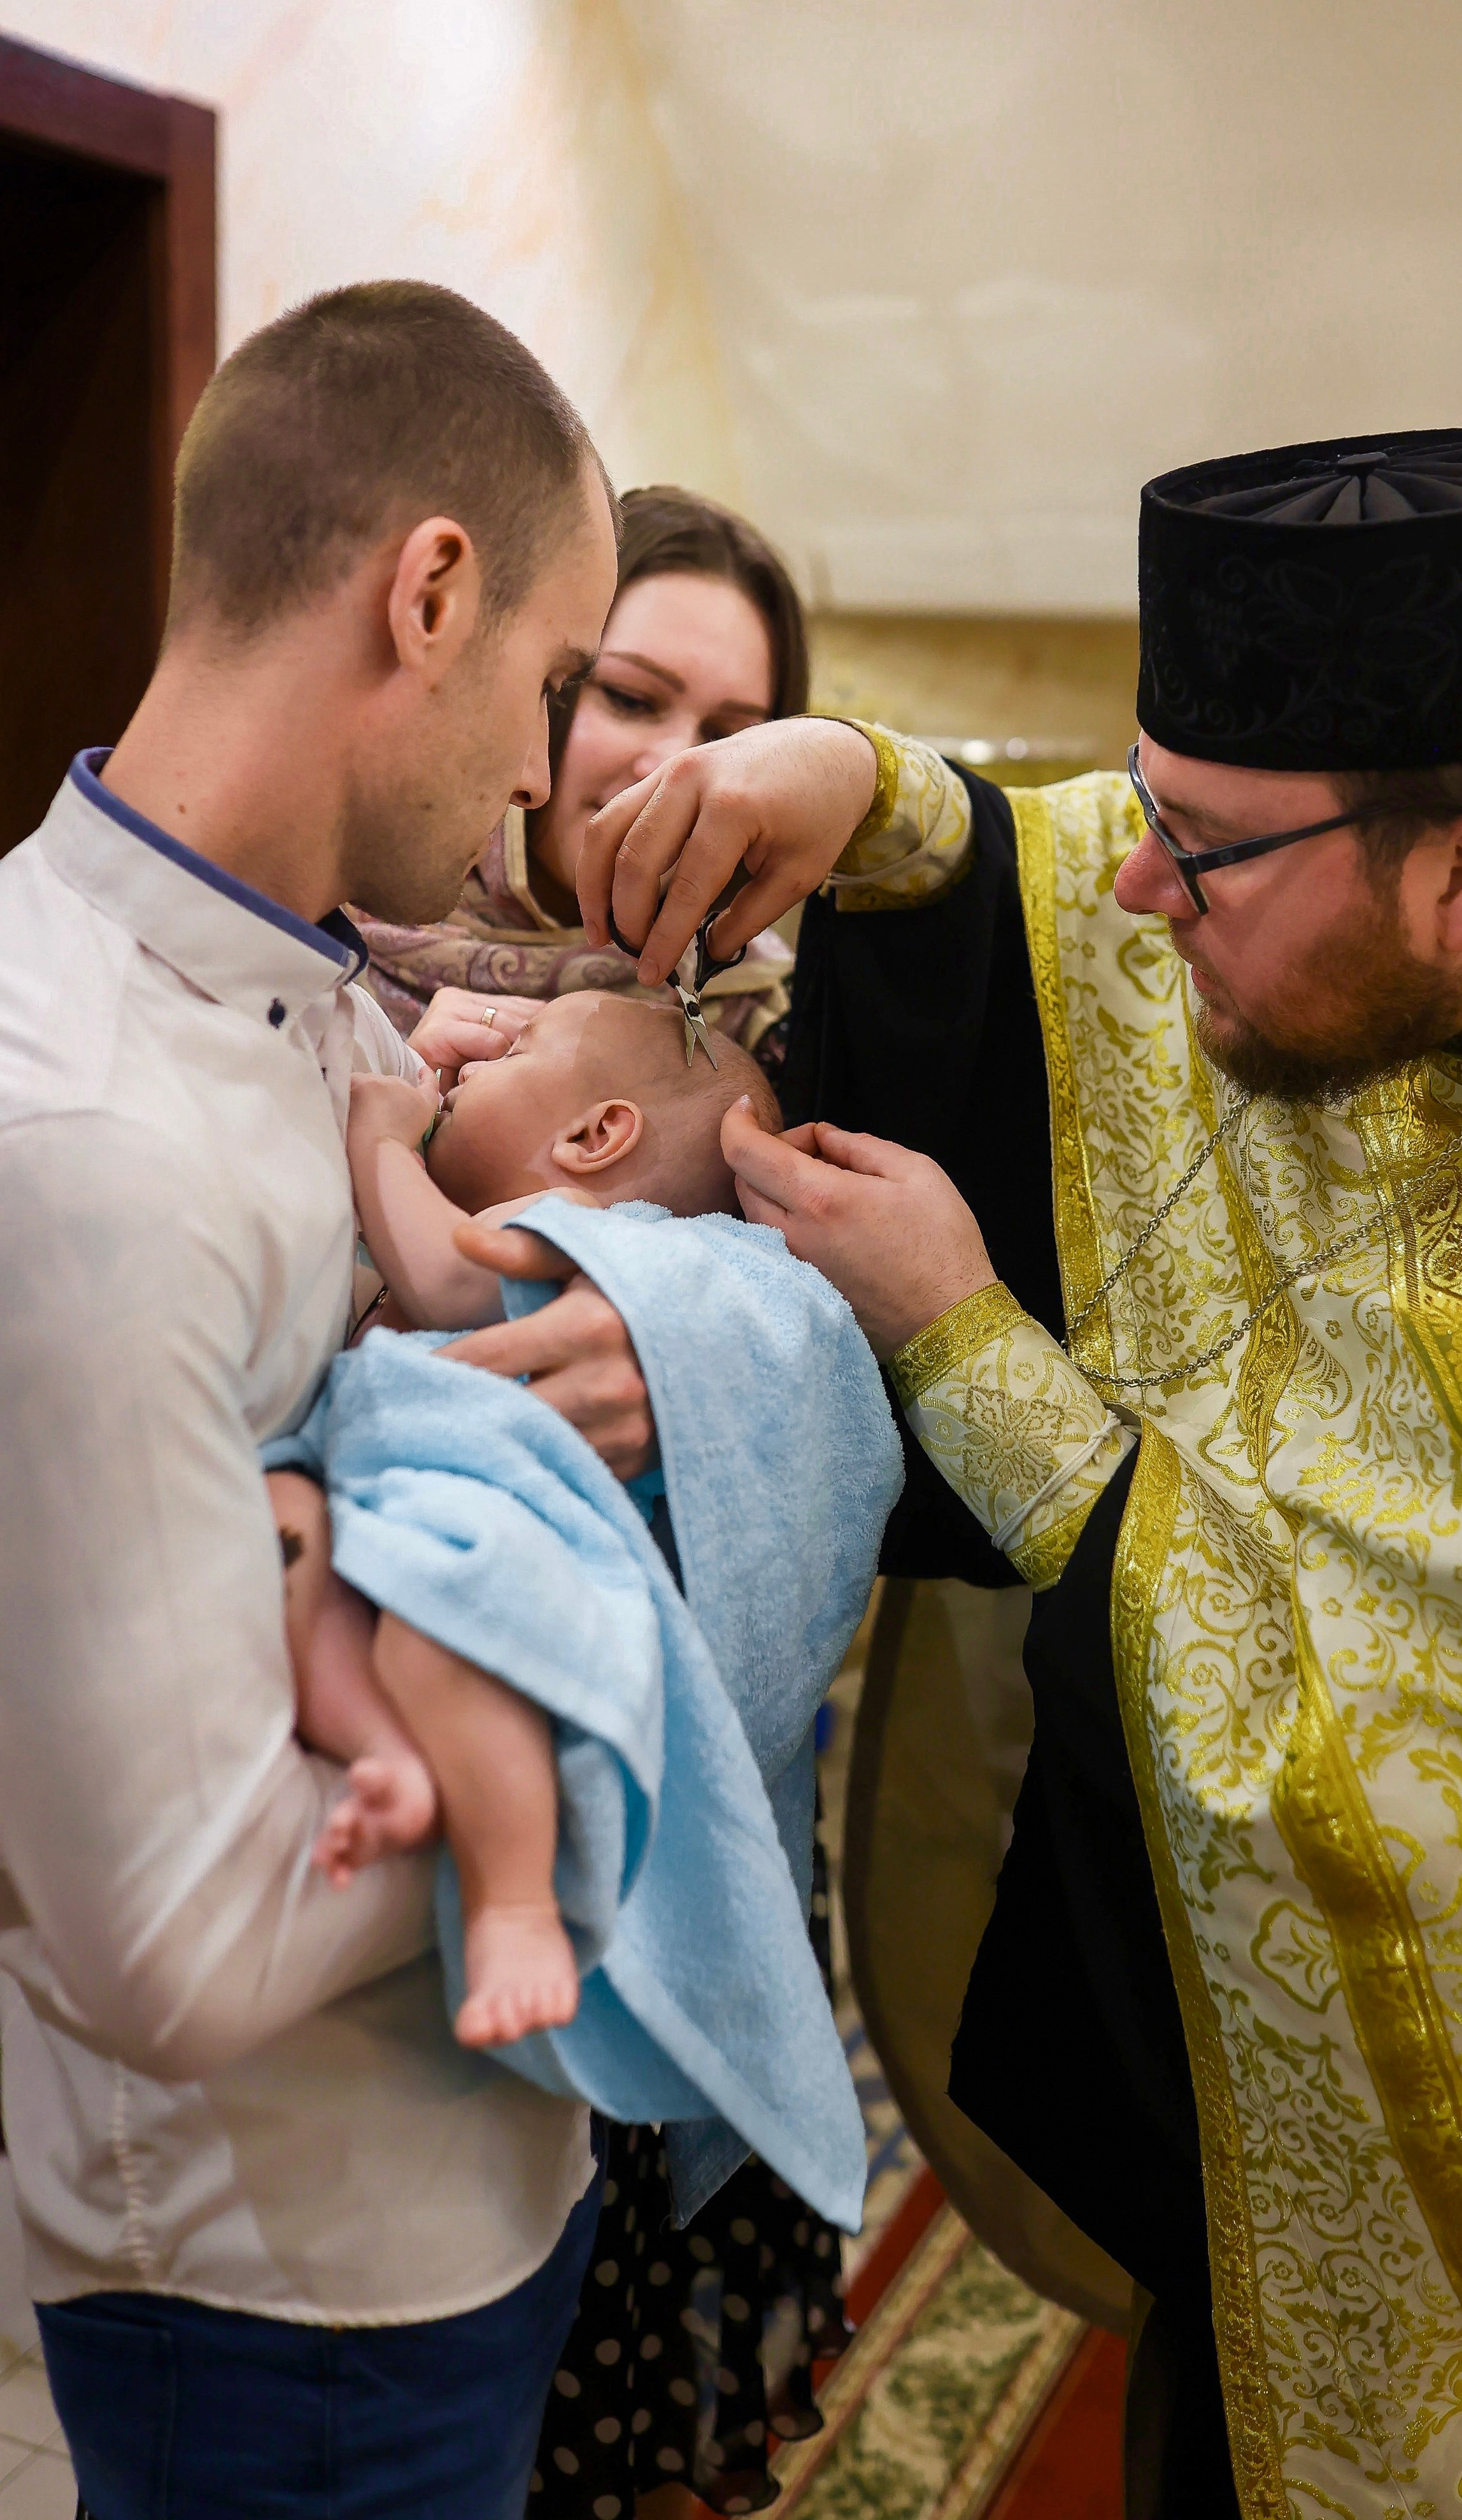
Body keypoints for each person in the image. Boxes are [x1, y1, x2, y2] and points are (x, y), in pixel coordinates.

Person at [576, 429, 1462, 2517]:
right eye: (1142, 807)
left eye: (1202, 845)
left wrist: (967, 1344)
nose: (1137, 890)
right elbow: (1045, 871)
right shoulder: (1341, 906)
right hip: (1219, 2192)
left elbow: (1431, 1798)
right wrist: (863, 788)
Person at [0, 278, 660, 2520]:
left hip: (459, 2176)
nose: (544, 775)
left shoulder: (306, 996)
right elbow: (173, 1944)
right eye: (560, 687)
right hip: (276, 2293)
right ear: (431, 587)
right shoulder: (83, 1145)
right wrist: (606, 1739)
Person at [267, 995, 783, 2052]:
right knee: (284, 1524)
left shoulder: (569, 1233)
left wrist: (381, 1141)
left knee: (446, 1612)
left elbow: (448, 1276)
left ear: (594, 1136)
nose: (467, 1072)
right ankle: (389, 1756)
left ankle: (514, 1903)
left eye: (517, 1052)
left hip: (488, 1517)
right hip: (386, 1486)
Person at [355, 485, 806, 1085]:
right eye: (630, 700)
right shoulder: (325, 925)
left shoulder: (765, 1020)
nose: (674, 768)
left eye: (728, 736)